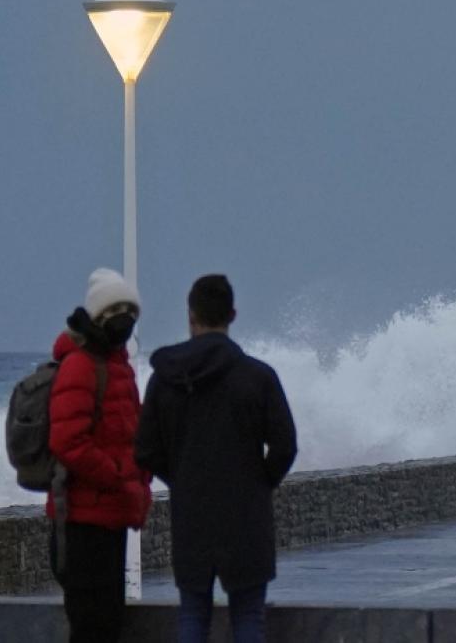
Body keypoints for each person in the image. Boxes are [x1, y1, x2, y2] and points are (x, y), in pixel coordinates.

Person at [136, 274, 297, 643]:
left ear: (191, 316)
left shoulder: (165, 379)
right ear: (233, 314)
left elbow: (145, 449)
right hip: (246, 517)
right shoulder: (258, 377)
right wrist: (259, 482)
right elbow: (285, 446)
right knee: (248, 617)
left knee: (193, 615)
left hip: (192, 515)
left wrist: (181, 478)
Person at [47, 268, 152, 643]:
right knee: (91, 622)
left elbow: (130, 435)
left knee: (108, 620)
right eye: (117, 311)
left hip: (112, 512)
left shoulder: (117, 367)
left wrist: (139, 481)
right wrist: (119, 476)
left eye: (131, 312)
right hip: (82, 517)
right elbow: (68, 441)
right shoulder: (80, 366)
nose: (125, 320)